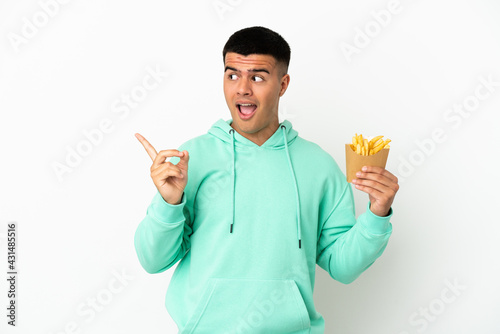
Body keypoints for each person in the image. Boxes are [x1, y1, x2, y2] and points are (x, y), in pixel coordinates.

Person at [134, 26, 399, 334]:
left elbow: (343, 267)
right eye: (232, 75)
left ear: (283, 84)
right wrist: (169, 203)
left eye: (257, 77)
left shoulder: (318, 166)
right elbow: (153, 261)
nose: (242, 89)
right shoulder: (190, 159)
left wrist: (377, 215)